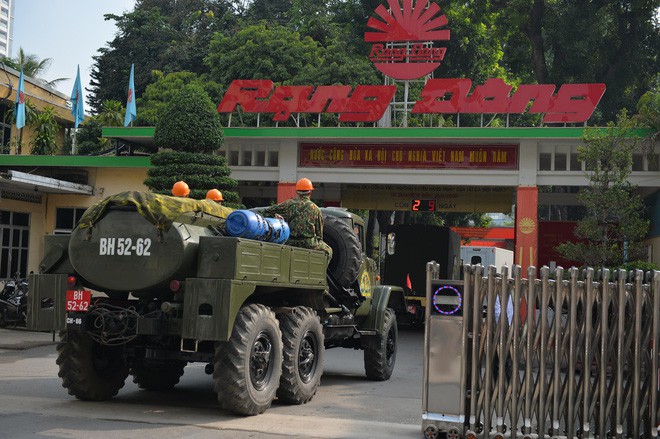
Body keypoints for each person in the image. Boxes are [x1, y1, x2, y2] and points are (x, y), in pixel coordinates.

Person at [263, 178, 332, 258]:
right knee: (329, 251)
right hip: (308, 243)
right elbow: (319, 233)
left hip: (290, 242)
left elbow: (267, 211)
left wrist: (276, 217)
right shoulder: (315, 209)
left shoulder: (289, 204)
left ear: (297, 192)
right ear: (310, 192)